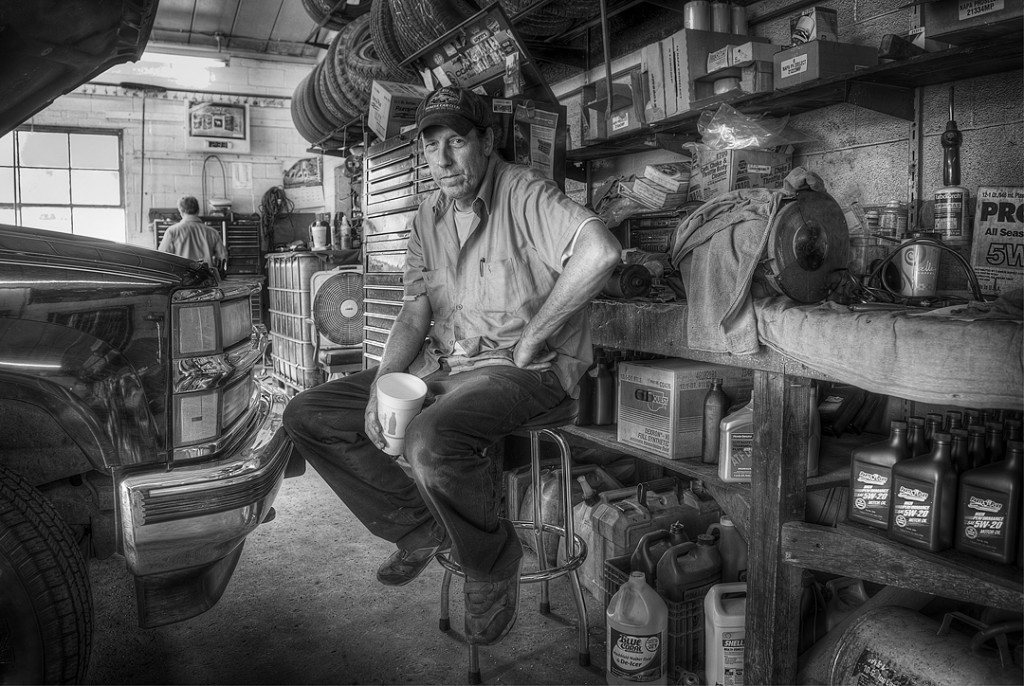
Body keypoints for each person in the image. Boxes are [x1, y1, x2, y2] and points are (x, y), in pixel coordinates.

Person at [282, 85, 621, 646]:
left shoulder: (524, 193)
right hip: (446, 367)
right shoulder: (427, 216)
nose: (441, 160)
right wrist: (379, 388)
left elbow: (600, 252)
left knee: (429, 441)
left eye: (456, 142)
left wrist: (534, 337)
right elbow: (414, 313)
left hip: (522, 372)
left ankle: (491, 563)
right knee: (310, 414)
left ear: (485, 142)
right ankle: (418, 527)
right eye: (431, 145)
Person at [157, 195, 228, 271]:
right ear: (198, 211)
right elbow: (223, 258)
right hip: (206, 279)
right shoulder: (212, 233)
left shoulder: (172, 231)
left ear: (181, 211)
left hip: (181, 279)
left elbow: (162, 257)